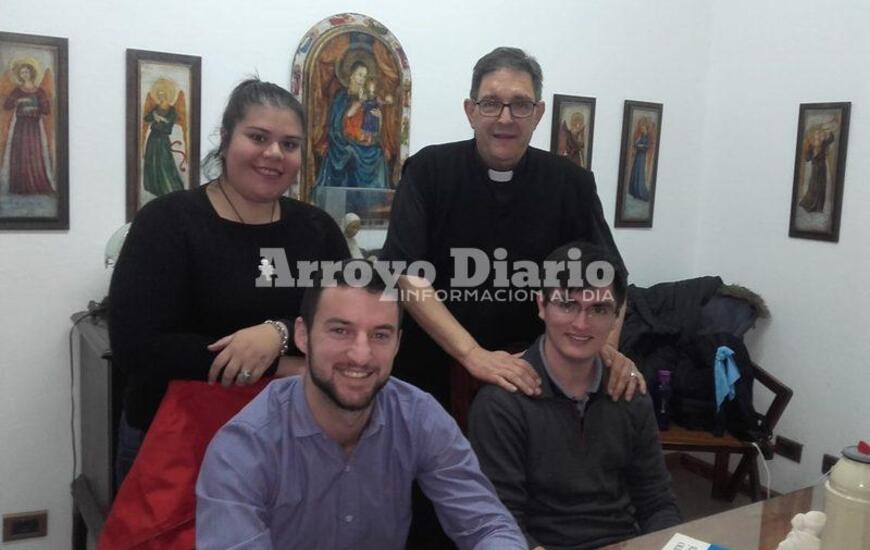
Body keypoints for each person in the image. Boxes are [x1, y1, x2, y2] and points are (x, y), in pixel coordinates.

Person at [380, 45, 644, 550]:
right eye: (491, 103)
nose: (505, 117)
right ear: (470, 109)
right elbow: (406, 276)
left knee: (523, 504)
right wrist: (472, 355)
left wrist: (605, 348)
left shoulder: (569, 181)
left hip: (533, 374)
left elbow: (611, 278)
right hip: (433, 364)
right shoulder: (430, 170)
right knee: (432, 507)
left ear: (539, 114)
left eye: (520, 104)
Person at [108, 78, 349, 483]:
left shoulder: (317, 229)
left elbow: (345, 318)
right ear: (225, 138)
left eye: (289, 144)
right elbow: (139, 348)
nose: (274, 154)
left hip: (290, 437)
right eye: (258, 137)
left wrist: (280, 333)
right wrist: (276, 364)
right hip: (175, 442)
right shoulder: (167, 221)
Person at [196, 261, 527, 550]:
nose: (361, 355)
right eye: (340, 331)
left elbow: (487, 525)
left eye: (380, 335)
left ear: (398, 342)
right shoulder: (244, 448)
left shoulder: (418, 416)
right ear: (302, 336)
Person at [469, 241, 682, 550]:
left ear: (616, 315)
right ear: (541, 305)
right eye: (567, 305)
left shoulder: (629, 391)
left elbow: (657, 501)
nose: (581, 324)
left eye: (598, 309)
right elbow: (498, 521)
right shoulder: (501, 403)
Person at [313, 59, 390, 212]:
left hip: (363, 142)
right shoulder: (342, 96)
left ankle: (372, 207)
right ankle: (347, 207)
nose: (362, 79)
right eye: (359, 75)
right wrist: (357, 105)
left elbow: (373, 129)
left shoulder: (369, 98)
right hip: (342, 141)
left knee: (379, 156)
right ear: (351, 76)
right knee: (351, 154)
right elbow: (337, 123)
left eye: (364, 76)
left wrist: (379, 118)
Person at [2, 59, 54, 194]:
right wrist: (17, 100)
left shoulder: (39, 91)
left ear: (32, 73)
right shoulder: (17, 91)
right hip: (20, 126)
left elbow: (46, 110)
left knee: (34, 153)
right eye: (22, 72)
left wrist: (39, 103)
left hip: (34, 127)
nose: (25, 74)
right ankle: (20, 186)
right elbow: (7, 106)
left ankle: (36, 184)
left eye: (27, 71)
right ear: (19, 75)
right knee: (21, 154)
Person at [142, 79, 186, 197]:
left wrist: (159, 121)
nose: (161, 97)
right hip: (153, 139)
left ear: (167, 96)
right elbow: (146, 118)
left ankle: (167, 188)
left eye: (163, 95)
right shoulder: (156, 108)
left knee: (164, 163)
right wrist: (153, 116)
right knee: (152, 162)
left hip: (162, 139)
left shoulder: (171, 110)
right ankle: (153, 186)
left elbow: (168, 128)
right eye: (159, 95)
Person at [798, 123, 836, 213]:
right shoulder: (811, 146)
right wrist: (813, 154)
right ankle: (810, 206)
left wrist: (828, 130)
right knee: (813, 187)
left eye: (820, 134)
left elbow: (831, 138)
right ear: (813, 135)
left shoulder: (823, 144)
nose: (818, 136)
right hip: (815, 170)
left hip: (822, 169)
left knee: (822, 187)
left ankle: (819, 208)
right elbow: (807, 158)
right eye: (816, 134)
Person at [627, 116, 652, 201]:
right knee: (635, 172)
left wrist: (640, 146)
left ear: (646, 128)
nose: (641, 129)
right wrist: (638, 144)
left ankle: (640, 192)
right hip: (638, 156)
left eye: (643, 127)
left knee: (640, 173)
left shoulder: (647, 137)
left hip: (642, 157)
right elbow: (635, 144)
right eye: (641, 127)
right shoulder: (640, 136)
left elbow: (647, 146)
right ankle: (634, 192)